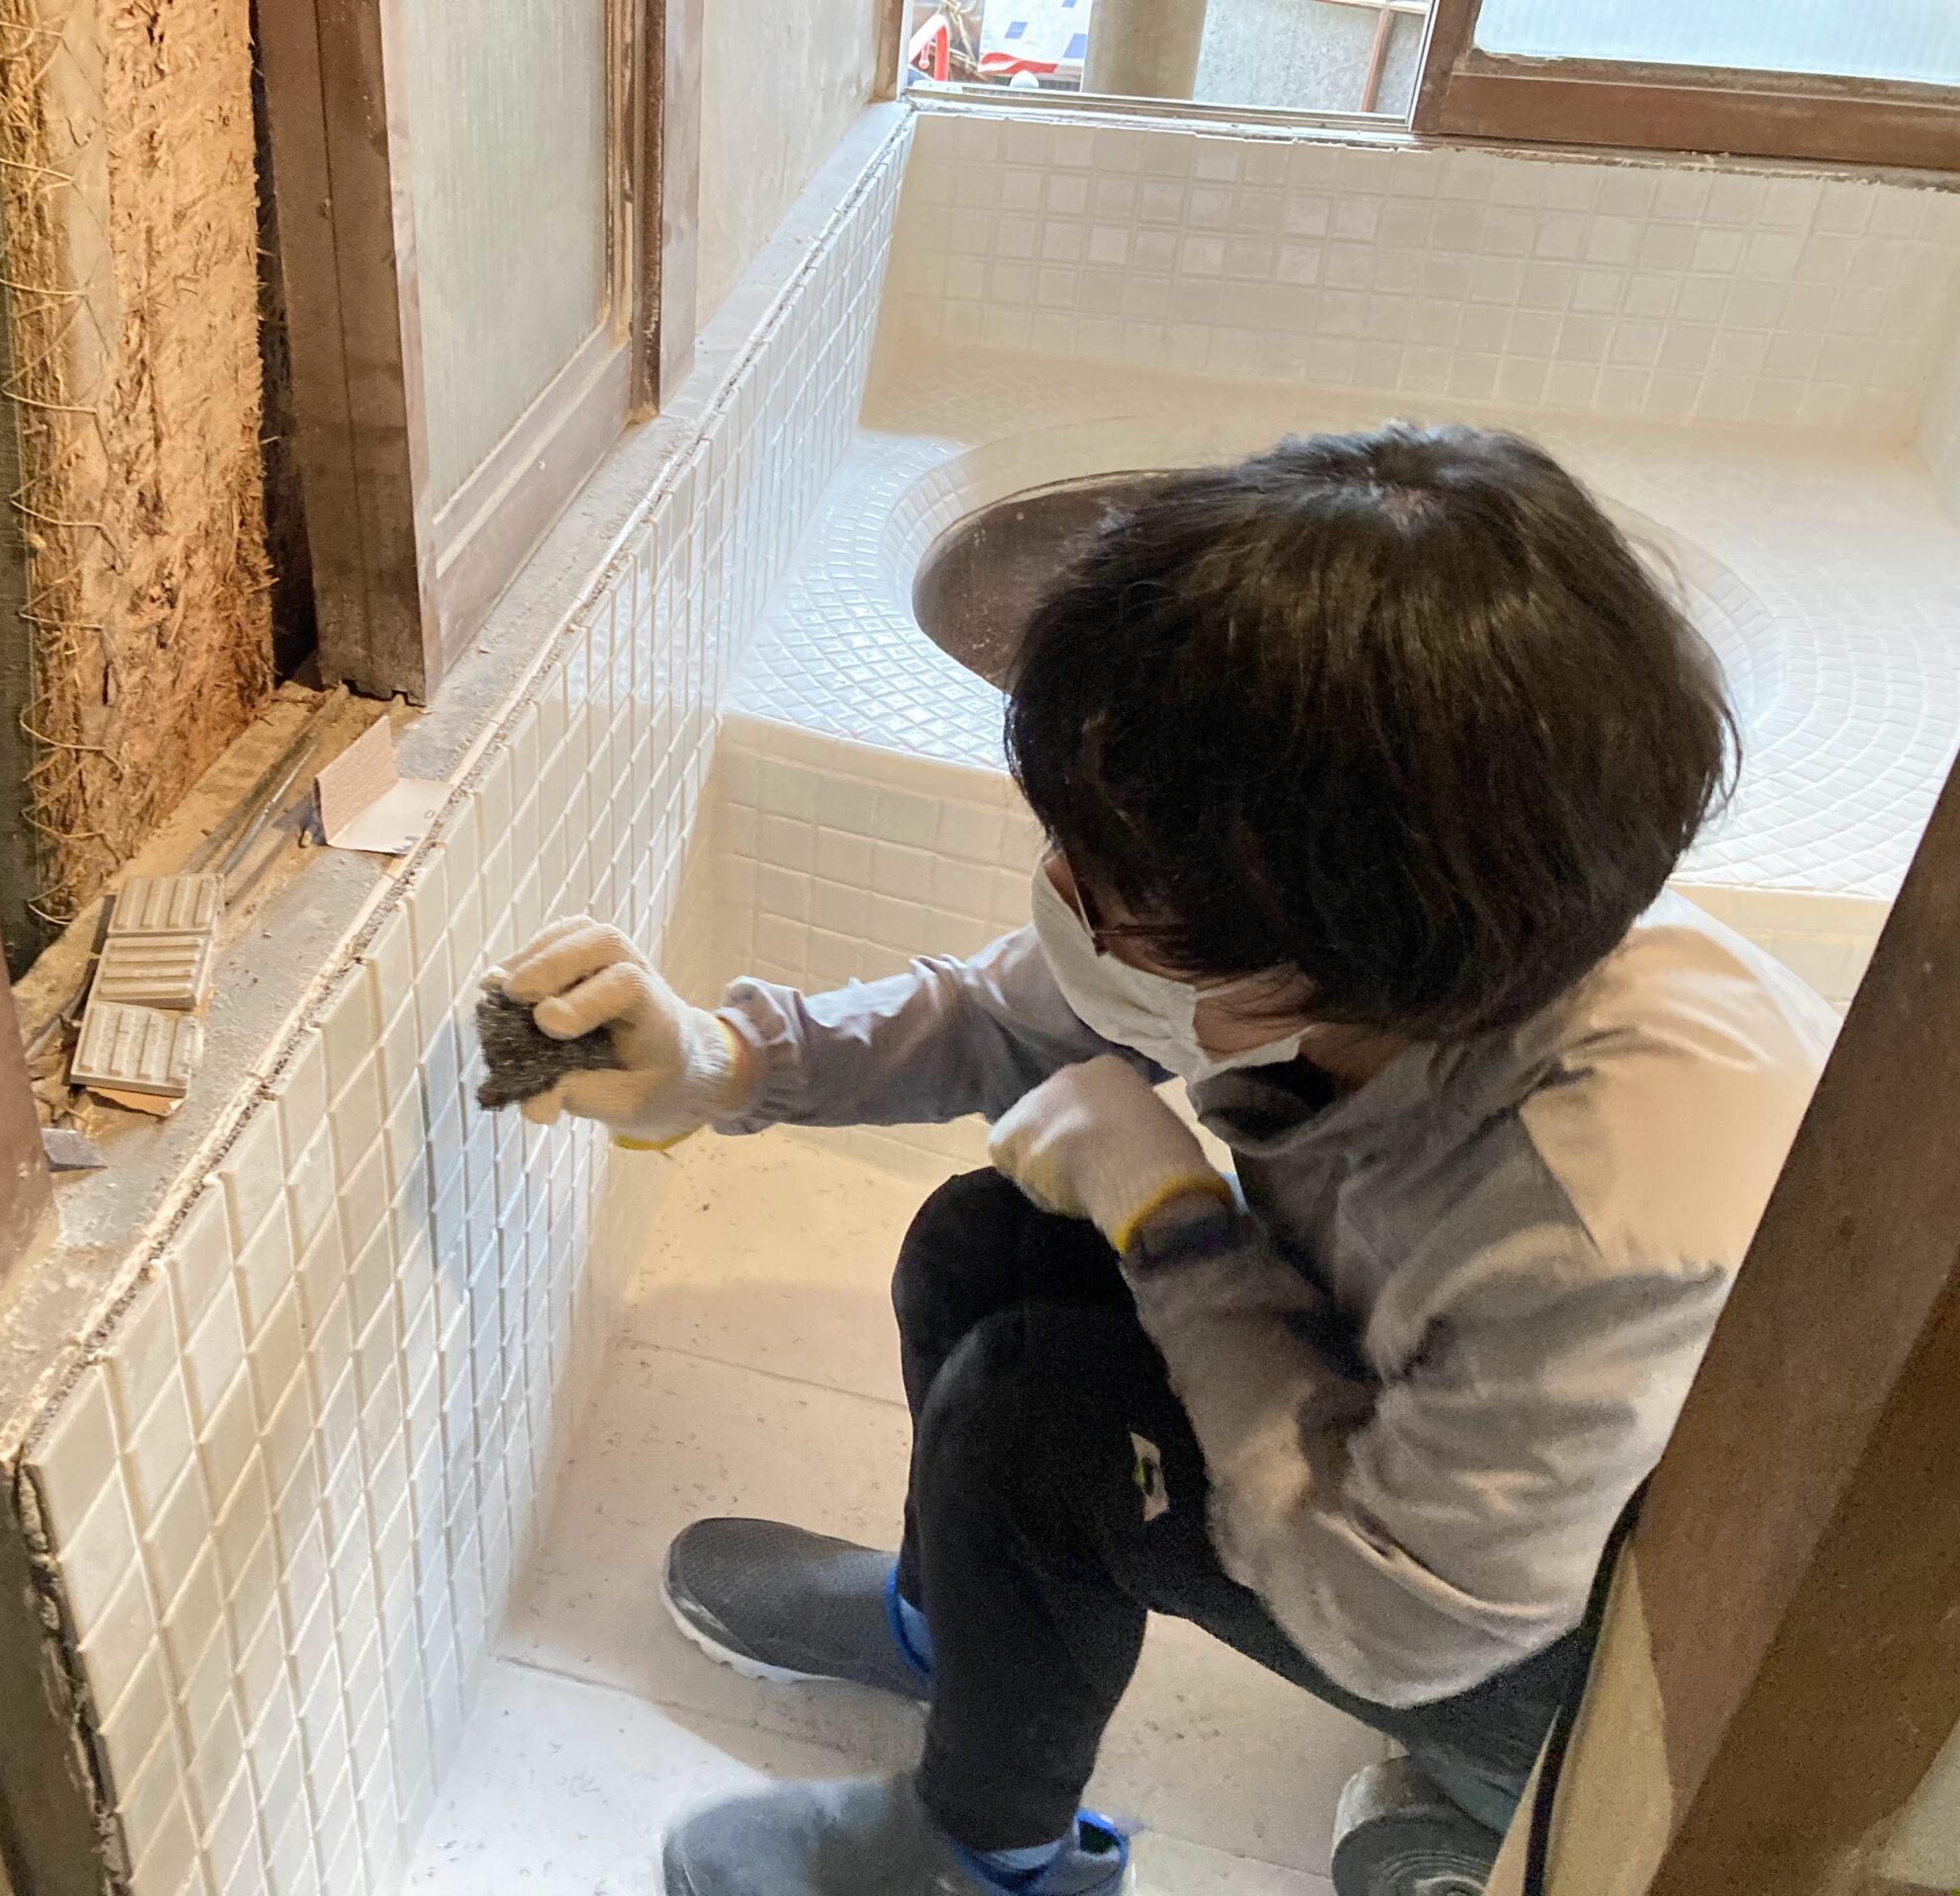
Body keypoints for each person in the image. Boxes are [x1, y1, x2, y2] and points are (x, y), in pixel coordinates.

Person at [491, 424, 1838, 1896]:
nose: (1057, 895)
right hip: (1431, 1440)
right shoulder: (1415, 911)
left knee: (1036, 1421)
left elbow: (1397, 1622)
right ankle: (954, 1627)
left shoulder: (1607, 1218)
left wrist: (1181, 1230)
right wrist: (723, 1062)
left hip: (1539, 1646)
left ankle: (987, 1860)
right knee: (986, 1240)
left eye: (1108, 896)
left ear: (1326, 961)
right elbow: (1016, 1015)